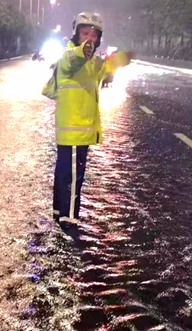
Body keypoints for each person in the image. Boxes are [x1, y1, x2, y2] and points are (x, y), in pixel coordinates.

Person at [42, 12, 133, 228]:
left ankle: (59, 214)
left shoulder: (93, 63)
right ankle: (69, 220)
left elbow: (106, 68)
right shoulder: (68, 57)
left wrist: (123, 58)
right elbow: (74, 59)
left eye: (93, 35)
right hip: (75, 131)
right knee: (73, 179)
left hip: (78, 131)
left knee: (65, 174)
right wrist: (83, 51)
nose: (89, 38)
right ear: (75, 34)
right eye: (85, 33)